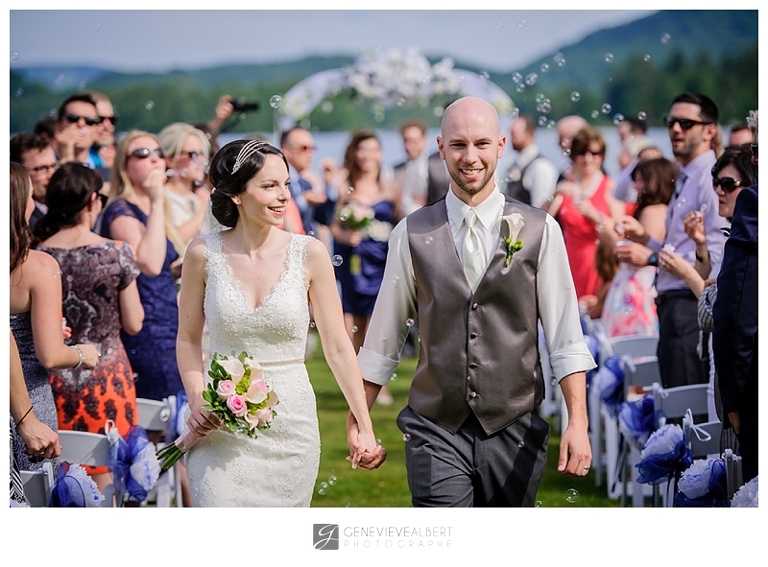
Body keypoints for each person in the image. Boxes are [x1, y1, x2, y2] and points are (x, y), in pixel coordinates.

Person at [350, 96, 595, 507]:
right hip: (434, 427)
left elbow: (566, 338)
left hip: (515, 427)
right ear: (441, 148)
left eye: (481, 143)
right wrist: (360, 420)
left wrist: (578, 423)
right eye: (458, 144)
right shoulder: (409, 234)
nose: (470, 157)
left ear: (501, 146)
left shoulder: (541, 230)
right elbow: (382, 341)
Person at [176, 139, 383, 507]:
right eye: (269, 185)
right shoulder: (202, 254)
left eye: (286, 184)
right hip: (219, 428)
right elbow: (188, 340)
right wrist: (197, 400)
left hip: (291, 425)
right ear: (237, 194)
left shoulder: (310, 253)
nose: (283, 195)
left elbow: (338, 347)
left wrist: (364, 426)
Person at [34, 162, 145, 492]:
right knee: (104, 476)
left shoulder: (39, 255)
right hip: (107, 379)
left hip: (53, 383)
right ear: (91, 202)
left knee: (59, 478)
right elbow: (134, 322)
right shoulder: (116, 252)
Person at [620, 93, 726, 389]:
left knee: (686, 406)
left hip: (689, 304)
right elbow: (681, 246)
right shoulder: (685, 174)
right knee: (674, 397)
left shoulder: (711, 179)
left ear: (709, 131)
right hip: (672, 302)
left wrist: (652, 259)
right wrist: (648, 241)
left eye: (686, 123)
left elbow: (716, 252)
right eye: (670, 122)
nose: (675, 129)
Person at [10, 162, 99, 472]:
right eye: (31, 196)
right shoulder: (38, 266)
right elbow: (50, 355)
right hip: (29, 402)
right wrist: (83, 354)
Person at [99, 130, 182, 402]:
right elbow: (148, 264)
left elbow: (162, 268)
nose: (155, 159)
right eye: (143, 154)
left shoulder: (151, 208)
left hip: (169, 320)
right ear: (125, 164)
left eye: (159, 152)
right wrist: (158, 201)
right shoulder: (121, 211)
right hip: (145, 328)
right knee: (160, 414)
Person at [330, 130, 403, 353]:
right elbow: (334, 226)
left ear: (380, 153)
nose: (367, 155)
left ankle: (379, 383)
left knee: (379, 323)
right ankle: (358, 379)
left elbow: (400, 223)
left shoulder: (391, 187)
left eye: (372, 149)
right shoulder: (345, 187)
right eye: (362, 149)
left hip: (381, 261)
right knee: (357, 322)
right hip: (355, 262)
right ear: (354, 153)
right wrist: (346, 237)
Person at [713, 122, 758, 482]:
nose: (754, 158)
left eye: (758, 148)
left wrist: (734, 398)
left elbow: (737, 313)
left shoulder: (754, 203)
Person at [546, 126, 624, 299]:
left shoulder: (610, 187)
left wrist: (594, 215)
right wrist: (554, 194)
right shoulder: (568, 185)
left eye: (594, 153)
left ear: (602, 156)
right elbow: (542, 220)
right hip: (568, 260)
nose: (587, 159)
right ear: (574, 156)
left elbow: (621, 233)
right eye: (581, 153)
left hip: (598, 262)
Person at [604, 158, 676, 338]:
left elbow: (640, 258)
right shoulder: (665, 209)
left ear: (655, 181)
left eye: (641, 180)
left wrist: (612, 238)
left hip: (638, 292)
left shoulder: (651, 212)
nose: (636, 186)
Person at [158, 122, 212, 256]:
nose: (200, 160)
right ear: (170, 159)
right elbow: (170, 243)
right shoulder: (159, 197)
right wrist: (204, 209)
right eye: (193, 154)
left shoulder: (199, 198)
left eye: (202, 154)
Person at [392, 119, 451, 213]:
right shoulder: (394, 171)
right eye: (406, 141)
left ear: (424, 140)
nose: (409, 146)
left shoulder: (439, 164)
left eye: (414, 141)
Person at [280, 127, 330, 235]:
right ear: (286, 151)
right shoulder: (277, 181)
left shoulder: (306, 184)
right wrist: (303, 200)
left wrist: (328, 186)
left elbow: (325, 219)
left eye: (312, 148)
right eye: (304, 148)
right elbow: (280, 212)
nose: (310, 153)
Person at [501, 115, 558, 208]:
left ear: (530, 134)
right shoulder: (517, 164)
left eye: (514, 135)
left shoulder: (541, 167)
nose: (510, 139)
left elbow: (540, 209)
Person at [10, 133, 59, 231]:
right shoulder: (16, 221)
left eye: (53, 166)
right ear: (18, 173)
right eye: (42, 168)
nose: (51, 175)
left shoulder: (65, 207)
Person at [53, 92, 102, 167]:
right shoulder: (43, 167)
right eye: (73, 118)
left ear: (97, 131)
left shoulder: (106, 173)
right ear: (58, 127)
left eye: (89, 121)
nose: (81, 124)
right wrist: (65, 159)